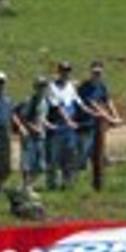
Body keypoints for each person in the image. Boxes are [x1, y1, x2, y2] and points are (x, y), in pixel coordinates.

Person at [77, 60, 122, 169]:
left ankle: (100, 162)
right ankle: (79, 170)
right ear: (90, 72)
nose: (97, 75)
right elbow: (93, 105)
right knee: (84, 149)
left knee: (99, 146)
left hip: (98, 124)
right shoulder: (84, 87)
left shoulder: (102, 85)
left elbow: (108, 101)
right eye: (95, 72)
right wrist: (110, 119)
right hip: (85, 123)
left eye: (99, 73)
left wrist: (116, 115)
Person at [12, 76, 53, 190]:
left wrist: (48, 124)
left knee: (41, 166)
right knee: (27, 162)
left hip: (41, 136)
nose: (43, 89)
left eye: (44, 86)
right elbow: (23, 117)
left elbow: (42, 117)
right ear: (36, 88)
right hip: (29, 136)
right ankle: (26, 186)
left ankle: (28, 185)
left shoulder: (45, 101)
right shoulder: (30, 101)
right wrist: (32, 128)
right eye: (40, 86)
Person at [45, 60, 81, 188]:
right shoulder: (52, 87)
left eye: (68, 70)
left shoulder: (71, 86)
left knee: (70, 154)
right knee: (54, 156)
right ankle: (52, 183)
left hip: (70, 126)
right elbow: (57, 107)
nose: (66, 73)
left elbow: (78, 102)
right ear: (59, 72)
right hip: (57, 125)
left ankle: (68, 183)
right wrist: (69, 121)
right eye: (63, 70)